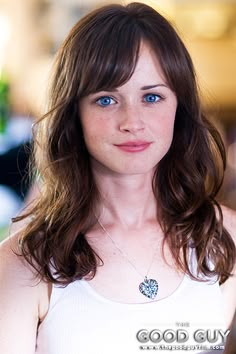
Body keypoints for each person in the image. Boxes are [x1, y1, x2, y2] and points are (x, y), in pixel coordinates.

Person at [0, 2, 235, 354]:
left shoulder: (224, 236)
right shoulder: (22, 263)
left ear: (179, 107)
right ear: (73, 113)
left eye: (152, 96)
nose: (132, 121)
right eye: (106, 99)